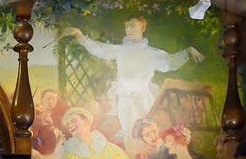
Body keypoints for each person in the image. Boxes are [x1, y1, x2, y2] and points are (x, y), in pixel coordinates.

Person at [63, 16, 205, 139]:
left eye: (132, 26)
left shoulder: (151, 53)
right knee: (129, 131)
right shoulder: (121, 50)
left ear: (142, 27)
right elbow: (101, 50)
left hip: (144, 98)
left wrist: (187, 52)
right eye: (126, 27)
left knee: (147, 132)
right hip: (125, 98)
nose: (129, 29)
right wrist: (80, 36)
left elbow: (169, 62)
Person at [57, 106, 134, 159]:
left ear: (86, 120)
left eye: (73, 121)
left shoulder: (105, 146)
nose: (70, 125)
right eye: (68, 124)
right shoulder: (69, 150)